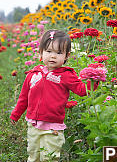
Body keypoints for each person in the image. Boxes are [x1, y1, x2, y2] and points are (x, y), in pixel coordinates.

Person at [10, 29, 98, 162]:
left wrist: (94, 80)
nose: (53, 56)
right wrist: (15, 114)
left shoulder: (67, 75)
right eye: (49, 51)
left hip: (53, 127)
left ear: (66, 56)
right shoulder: (33, 74)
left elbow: (82, 90)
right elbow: (23, 98)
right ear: (41, 53)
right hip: (33, 125)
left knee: (49, 157)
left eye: (59, 53)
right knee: (33, 155)